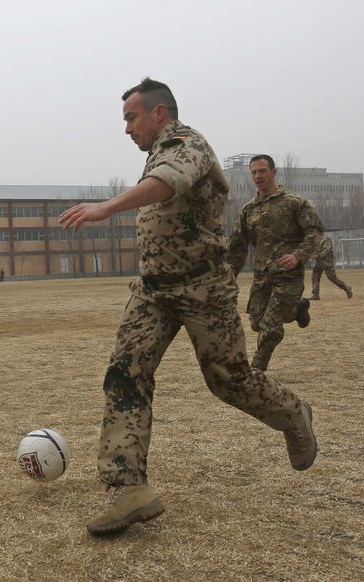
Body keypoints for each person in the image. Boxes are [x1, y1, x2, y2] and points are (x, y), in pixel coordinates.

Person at [58, 78, 316, 536]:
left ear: (159, 114)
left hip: (203, 289)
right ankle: (128, 487)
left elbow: (166, 185)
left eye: (130, 118)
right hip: (154, 291)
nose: (126, 129)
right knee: (125, 372)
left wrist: (106, 208)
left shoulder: (185, 144)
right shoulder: (157, 152)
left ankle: (294, 412)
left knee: (229, 381)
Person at [227, 154, 323, 371]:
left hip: (288, 276)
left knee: (270, 328)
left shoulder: (294, 202)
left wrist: (298, 255)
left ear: (273, 172)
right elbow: (238, 247)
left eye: (262, 171)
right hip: (262, 276)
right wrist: (228, 275)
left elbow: (315, 231)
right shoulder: (248, 210)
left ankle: (256, 371)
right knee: (256, 322)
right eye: (254, 172)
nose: (258, 176)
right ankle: (296, 310)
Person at [310, 235, 352, 300]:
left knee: (332, 278)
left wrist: (317, 255)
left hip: (327, 263)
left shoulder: (325, 239)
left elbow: (327, 250)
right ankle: (315, 294)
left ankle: (347, 288)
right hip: (319, 263)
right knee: (315, 277)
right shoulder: (314, 239)